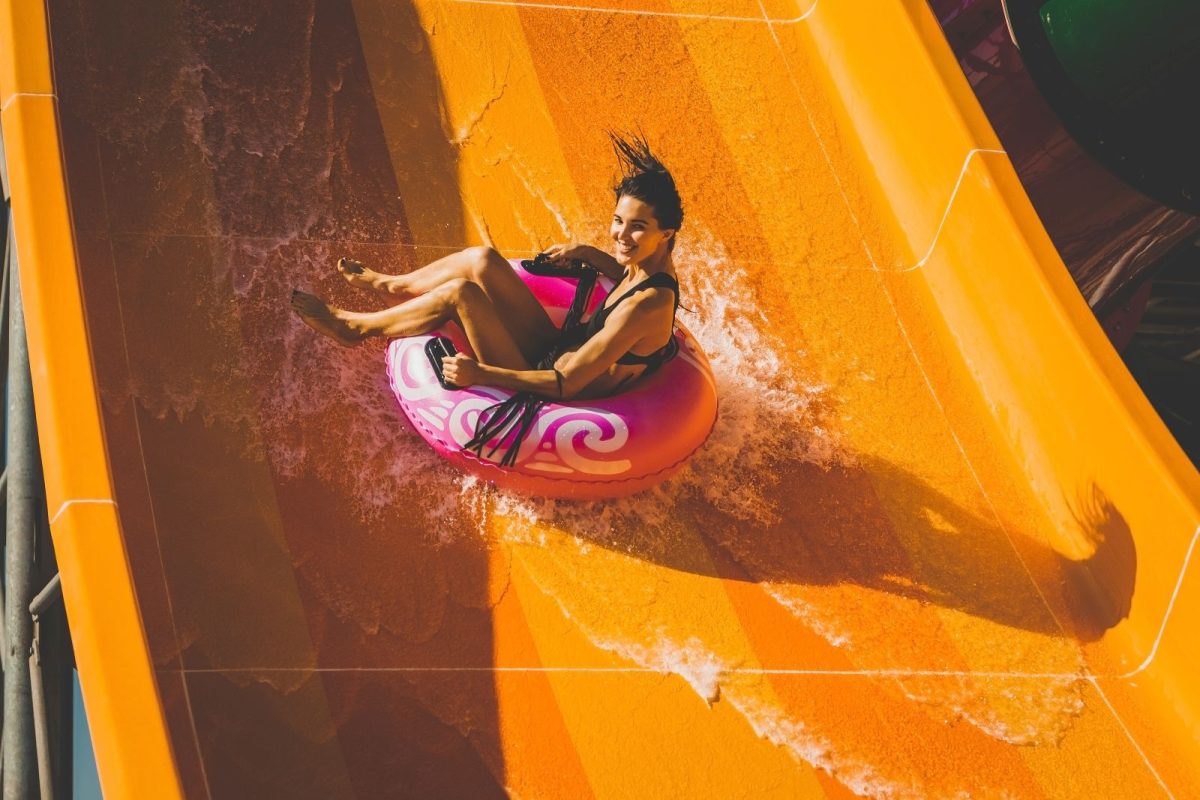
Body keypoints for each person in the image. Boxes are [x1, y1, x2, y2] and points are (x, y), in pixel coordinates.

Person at [291, 134, 683, 402]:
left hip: (552, 387)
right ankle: (393, 286)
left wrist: (481, 374)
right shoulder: (648, 267)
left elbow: (564, 383)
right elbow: (623, 275)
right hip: (558, 351)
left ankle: (354, 329)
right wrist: (587, 253)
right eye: (618, 220)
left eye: (637, 226)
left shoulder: (646, 305)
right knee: (481, 259)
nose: (621, 234)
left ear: (665, 233)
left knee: (461, 294)